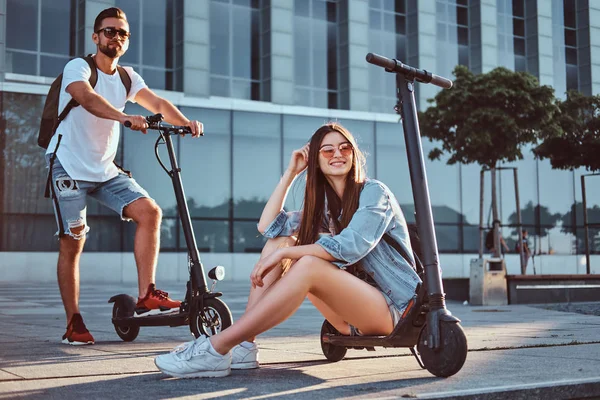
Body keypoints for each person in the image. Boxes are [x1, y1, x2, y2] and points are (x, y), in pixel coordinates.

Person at [154, 123, 422, 378]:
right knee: (280, 241)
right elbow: (269, 227)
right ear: (316, 159)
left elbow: (350, 246)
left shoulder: (375, 193)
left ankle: (216, 348)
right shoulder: (326, 209)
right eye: (327, 150)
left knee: (303, 261)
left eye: (345, 148)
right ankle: (245, 347)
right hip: (350, 317)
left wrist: (286, 255)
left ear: (354, 154)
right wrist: (291, 173)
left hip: (395, 309)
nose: (337, 154)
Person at [45, 7, 204, 345]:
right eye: (109, 31)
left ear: (126, 41)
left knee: (150, 212)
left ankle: (147, 294)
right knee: (73, 241)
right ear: (95, 36)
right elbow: (86, 98)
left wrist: (185, 122)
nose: (115, 37)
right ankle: (74, 322)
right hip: (68, 165)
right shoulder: (79, 67)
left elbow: (157, 102)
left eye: (122, 33)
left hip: (104, 169)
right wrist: (124, 117)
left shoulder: (128, 77)